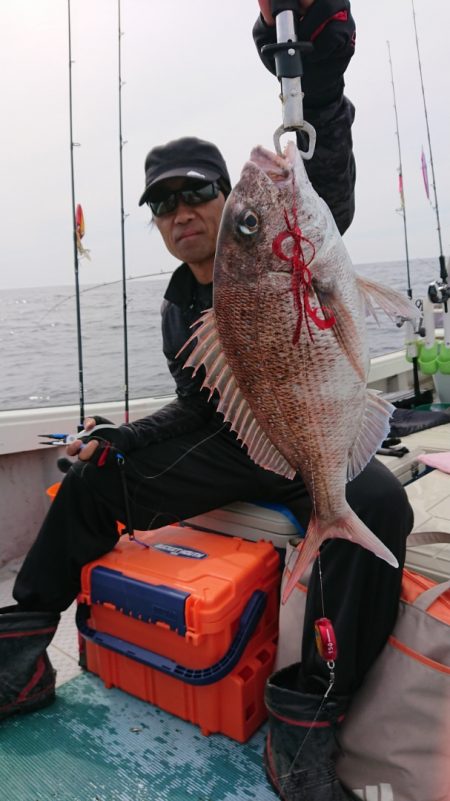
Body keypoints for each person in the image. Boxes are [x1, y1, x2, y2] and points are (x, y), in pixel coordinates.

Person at [0, 2, 413, 799]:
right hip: (231, 445)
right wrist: (124, 437)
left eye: (197, 193)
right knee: (90, 478)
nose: (181, 212)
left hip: (308, 443)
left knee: (378, 505)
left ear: (228, 199)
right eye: (163, 203)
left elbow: (325, 180)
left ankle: (304, 724)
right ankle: (20, 658)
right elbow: (194, 407)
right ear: (156, 224)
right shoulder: (174, 304)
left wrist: (318, 83)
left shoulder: (287, 243)